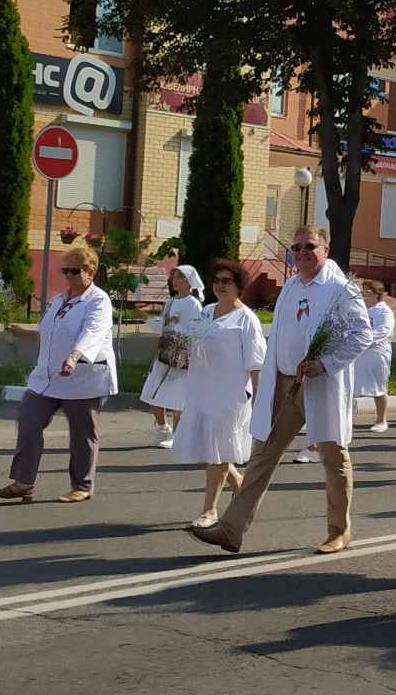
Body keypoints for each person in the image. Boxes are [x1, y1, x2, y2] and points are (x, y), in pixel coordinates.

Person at [187, 227, 372, 555]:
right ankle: (231, 530)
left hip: (320, 385)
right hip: (286, 384)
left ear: (326, 249)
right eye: (296, 247)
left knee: (333, 457)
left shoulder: (341, 289)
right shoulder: (291, 285)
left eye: (309, 247)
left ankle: (339, 531)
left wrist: (325, 363)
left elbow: (361, 334)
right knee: (263, 452)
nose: (301, 252)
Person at [0, 245, 117, 503]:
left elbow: (91, 333)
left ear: (90, 271)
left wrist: (73, 357)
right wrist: (21, 332)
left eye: (74, 270)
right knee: (28, 421)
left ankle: (82, 485)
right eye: (65, 270)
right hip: (47, 377)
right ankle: (23, 481)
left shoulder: (99, 300)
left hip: (82, 377)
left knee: (82, 433)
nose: (68, 275)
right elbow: (48, 333)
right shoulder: (60, 299)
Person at [173, 259, 266, 526]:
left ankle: (210, 510)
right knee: (208, 448)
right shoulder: (207, 311)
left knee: (219, 451)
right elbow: (194, 342)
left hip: (230, 395)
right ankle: (238, 482)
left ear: (239, 286)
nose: (220, 285)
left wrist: (259, 398)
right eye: (217, 280)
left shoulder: (246, 319)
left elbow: (256, 362)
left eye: (227, 281)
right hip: (201, 390)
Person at [140, 264, 206, 449]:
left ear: (188, 281)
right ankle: (163, 428)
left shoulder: (193, 304)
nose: (175, 281)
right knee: (152, 393)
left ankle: (178, 435)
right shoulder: (170, 302)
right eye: (174, 277)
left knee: (178, 396)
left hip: (182, 356)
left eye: (179, 277)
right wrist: (149, 319)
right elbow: (164, 324)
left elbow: (195, 330)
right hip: (166, 353)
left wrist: (176, 330)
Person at [354, 281, 395, 433]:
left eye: (368, 293)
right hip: (358, 354)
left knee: (379, 387)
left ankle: (381, 420)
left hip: (376, 354)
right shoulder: (360, 310)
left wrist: (363, 339)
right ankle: (345, 418)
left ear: (378, 295)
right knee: (350, 386)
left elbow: (383, 331)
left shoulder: (384, 312)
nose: (364, 296)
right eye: (363, 292)